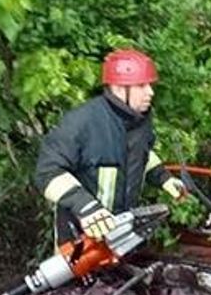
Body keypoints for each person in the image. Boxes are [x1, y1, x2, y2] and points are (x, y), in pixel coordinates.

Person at [35, 49, 187, 243]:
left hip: (120, 233)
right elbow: (48, 171)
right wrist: (85, 206)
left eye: (149, 84)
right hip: (79, 240)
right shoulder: (82, 122)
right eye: (141, 85)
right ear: (118, 87)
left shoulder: (139, 121)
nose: (151, 92)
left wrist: (164, 178)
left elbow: (143, 154)